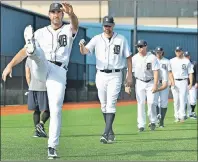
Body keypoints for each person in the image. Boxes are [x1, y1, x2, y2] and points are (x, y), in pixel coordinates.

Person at [2, 2, 78, 159]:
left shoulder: (68, 29)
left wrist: (72, 14)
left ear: (62, 15)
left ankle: (52, 146)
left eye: (59, 12)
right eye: (53, 12)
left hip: (59, 71)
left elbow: (75, 25)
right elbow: (22, 52)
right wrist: (10, 65)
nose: (56, 14)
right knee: (36, 54)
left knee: (56, 108)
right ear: (49, 15)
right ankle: (33, 48)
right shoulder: (41, 32)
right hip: (43, 67)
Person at [79, 16, 132, 144]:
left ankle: (105, 133)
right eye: (105, 25)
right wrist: (81, 46)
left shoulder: (121, 39)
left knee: (111, 104)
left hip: (115, 74)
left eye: (109, 25)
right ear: (103, 26)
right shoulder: (97, 39)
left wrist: (129, 75)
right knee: (103, 104)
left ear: (113, 25)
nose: (107, 28)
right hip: (101, 74)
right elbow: (85, 51)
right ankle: (110, 132)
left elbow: (129, 57)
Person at [130, 40, 160, 132]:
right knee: (140, 103)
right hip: (139, 82)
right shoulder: (134, 58)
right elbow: (129, 71)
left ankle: (153, 121)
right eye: (138, 46)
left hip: (150, 82)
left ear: (145, 46)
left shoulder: (152, 57)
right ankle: (141, 125)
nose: (139, 48)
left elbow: (156, 71)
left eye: (141, 46)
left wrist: (155, 84)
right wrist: (127, 84)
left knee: (151, 103)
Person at [25, 57, 50, 137]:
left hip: (32, 87)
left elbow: (27, 74)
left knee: (36, 110)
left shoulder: (28, 58)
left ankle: (37, 132)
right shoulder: (45, 56)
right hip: (44, 87)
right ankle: (41, 124)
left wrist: (30, 86)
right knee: (49, 109)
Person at [169, 47, 194, 123]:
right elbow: (169, 72)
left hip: (183, 81)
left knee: (183, 99)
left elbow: (190, 73)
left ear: (182, 51)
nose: (178, 52)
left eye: (179, 51)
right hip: (175, 81)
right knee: (176, 100)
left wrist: (191, 83)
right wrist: (172, 81)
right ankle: (176, 116)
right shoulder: (172, 61)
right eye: (176, 51)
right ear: (175, 52)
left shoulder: (186, 61)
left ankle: (182, 115)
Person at [154, 47, 174, 127]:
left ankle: (161, 121)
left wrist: (172, 80)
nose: (159, 53)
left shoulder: (167, 61)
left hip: (164, 83)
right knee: (154, 101)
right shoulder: (153, 60)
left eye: (160, 52)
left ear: (162, 52)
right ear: (155, 52)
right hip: (155, 83)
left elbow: (169, 72)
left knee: (164, 102)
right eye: (157, 52)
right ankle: (156, 117)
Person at [183, 51, 197, 119]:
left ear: (189, 56)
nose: (187, 57)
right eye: (185, 56)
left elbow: (197, 73)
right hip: (184, 84)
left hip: (193, 84)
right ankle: (187, 114)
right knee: (185, 100)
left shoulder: (194, 63)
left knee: (193, 100)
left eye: (187, 56)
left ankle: (192, 111)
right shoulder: (182, 63)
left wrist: (197, 82)